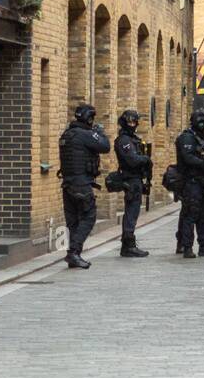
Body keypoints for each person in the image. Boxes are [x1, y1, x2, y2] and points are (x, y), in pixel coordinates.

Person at [58, 103, 111, 269]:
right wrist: (99, 132)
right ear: (88, 118)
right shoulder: (85, 134)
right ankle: (73, 252)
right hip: (81, 184)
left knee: (73, 221)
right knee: (88, 217)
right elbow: (105, 146)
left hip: (68, 184)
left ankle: (74, 254)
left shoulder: (67, 134)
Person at [176, 110, 204, 259]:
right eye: (200, 121)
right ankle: (187, 246)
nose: (203, 124)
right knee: (190, 214)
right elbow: (188, 158)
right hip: (192, 182)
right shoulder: (187, 138)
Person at [113, 109, 152, 258]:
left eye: (134, 122)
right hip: (130, 179)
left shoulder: (132, 139)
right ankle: (128, 245)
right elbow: (132, 160)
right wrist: (145, 159)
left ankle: (128, 244)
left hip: (136, 179)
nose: (132, 124)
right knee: (131, 212)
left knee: (134, 212)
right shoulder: (124, 140)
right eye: (129, 121)